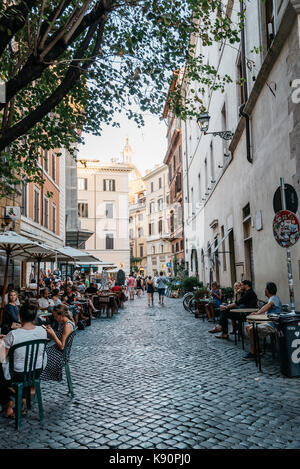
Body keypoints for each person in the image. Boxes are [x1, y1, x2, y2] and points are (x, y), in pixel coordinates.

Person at [1, 303, 47, 418]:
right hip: (36, 371)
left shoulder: (13, 335)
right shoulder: (42, 331)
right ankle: (23, 397)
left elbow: (2, 357)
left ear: (19, 317)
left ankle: (7, 403)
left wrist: (3, 342)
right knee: (23, 367)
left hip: (18, 374)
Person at [244, 282, 282, 360]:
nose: (264, 290)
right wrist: (257, 313)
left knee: (251, 329)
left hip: (272, 325)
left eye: (265, 289)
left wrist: (257, 313)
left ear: (268, 290)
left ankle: (253, 352)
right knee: (248, 327)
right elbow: (266, 308)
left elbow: (267, 306)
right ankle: (257, 349)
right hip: (268, 323)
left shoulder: (273, 298)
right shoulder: (272, 298)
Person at [41, 305, 75, 382]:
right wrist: (51, 332)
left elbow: (62, 347)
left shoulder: (67, 325)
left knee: (40, 356)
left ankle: (34, 379)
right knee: (40, 354)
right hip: (57, 351)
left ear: (61, 315)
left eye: (55, 316)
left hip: (60, 355)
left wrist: (53, 334)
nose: (54, 318)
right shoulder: (66, 323)